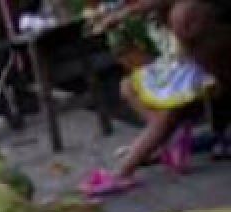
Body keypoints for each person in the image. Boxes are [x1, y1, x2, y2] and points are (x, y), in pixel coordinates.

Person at [82, 0, 218, 194]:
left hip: (189, 62)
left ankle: (123, 172)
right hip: (171, 62)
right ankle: (168, 140)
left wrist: (125, 13)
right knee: (128, 87)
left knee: (165, 116)